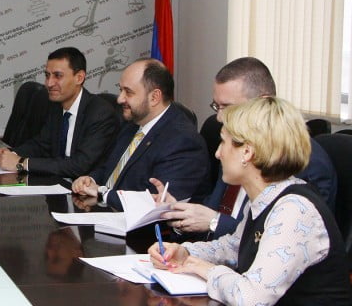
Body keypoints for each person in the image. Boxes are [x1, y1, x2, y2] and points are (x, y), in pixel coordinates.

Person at [148, 97, 350, 305]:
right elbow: (235, 247)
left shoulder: (294, 210)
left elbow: (251, 298)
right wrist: (185, 253)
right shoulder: (266, 197)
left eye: (223, 142)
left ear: (246, 152)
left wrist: (207, 270)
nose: (217, 154)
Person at [157, 57, 336, 238]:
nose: (219, 117)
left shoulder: (303, 162)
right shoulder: (235, 143)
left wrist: (215, 222)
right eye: (217, 106)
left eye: (227, 107)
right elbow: (215, 210)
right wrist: (178, 213)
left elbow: (285, 236)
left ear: (263, 102)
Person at [71, 59, 210, 209]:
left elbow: (157, 202)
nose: (120, 99)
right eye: (120, 90)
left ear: (154, 97)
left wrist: (102, 193)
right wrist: (90, 180)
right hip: (107, 212)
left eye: (128, 92)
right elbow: (110, 167)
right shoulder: (133, 124)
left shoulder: (183, 141)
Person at [0, 47, 119, 179]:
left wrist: (21, 163)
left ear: (79, 78)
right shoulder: (55, 106)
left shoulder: (100, 113)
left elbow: (79, 166)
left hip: (82, 187)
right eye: (47, 76)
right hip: (56, 182)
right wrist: (10, 153)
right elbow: (41, 145)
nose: (49, 83)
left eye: (58, 76)